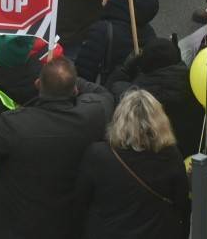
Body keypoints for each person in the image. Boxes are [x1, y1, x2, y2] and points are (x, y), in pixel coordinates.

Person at [0, 56, 111, 239]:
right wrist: (67, 80)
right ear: (75, 90)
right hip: (65, 225)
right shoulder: (92, 116)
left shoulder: (14, 124)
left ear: (38, 84)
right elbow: (104, 94)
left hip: (17, 225)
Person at [74, 88, 190, 239]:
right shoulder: (170, 155)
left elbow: (81, 201)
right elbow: (181, 203)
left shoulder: (98, 155)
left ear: (119, 118)